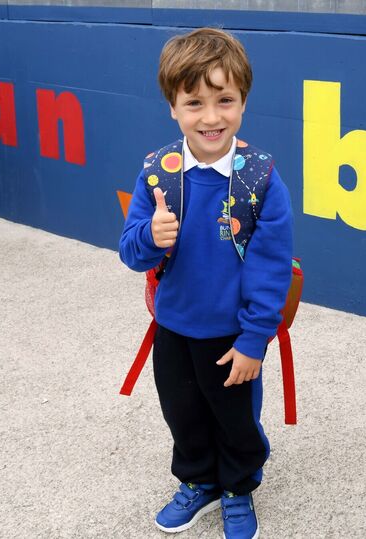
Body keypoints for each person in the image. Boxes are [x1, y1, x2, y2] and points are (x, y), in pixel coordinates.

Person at [119, 27, 292, 539]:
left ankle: (238, 486)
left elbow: (272, 267)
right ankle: (199, 482)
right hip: (172, 327)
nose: (211, 117)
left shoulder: (260, 179)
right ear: (173, 106)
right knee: (183, 415)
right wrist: (151, 235)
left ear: (243, 101)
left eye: (225, 100)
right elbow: (130, 252)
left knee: (235, 421)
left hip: (232, 335)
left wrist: (254, 338)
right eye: (194, 102)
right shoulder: (157, 172)